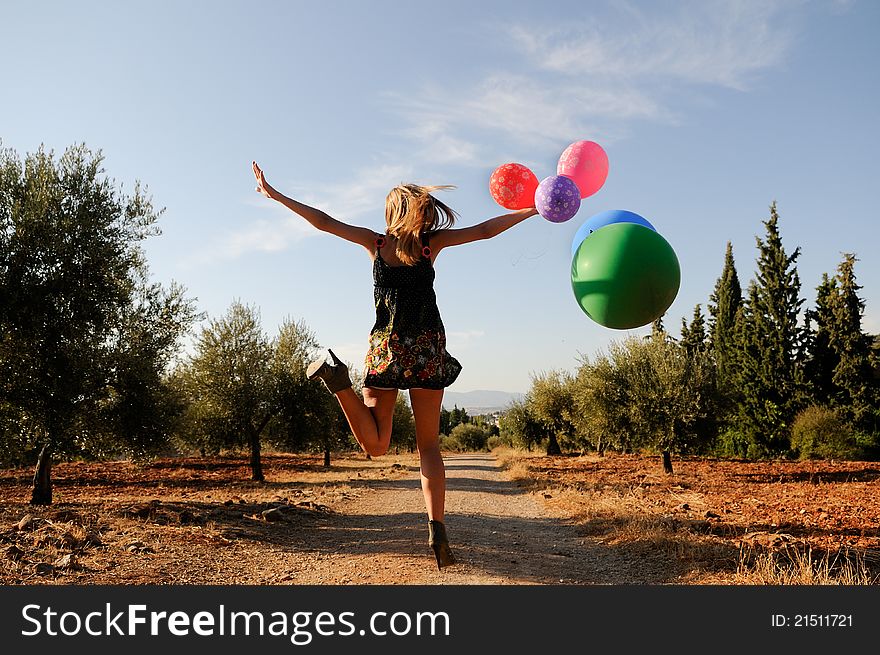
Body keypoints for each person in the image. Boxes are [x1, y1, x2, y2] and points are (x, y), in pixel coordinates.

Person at [252, 161, 538, 569]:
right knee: (429, 447)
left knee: (377, 445)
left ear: (391, 213)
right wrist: (532, 210)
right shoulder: (429, 246)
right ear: (419, 211)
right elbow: (484, 231)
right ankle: (437, 528)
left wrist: (276, 195)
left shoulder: (376, 244)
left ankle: (339, 384)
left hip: (386, 349)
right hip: (426, 349)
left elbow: (323, 221)